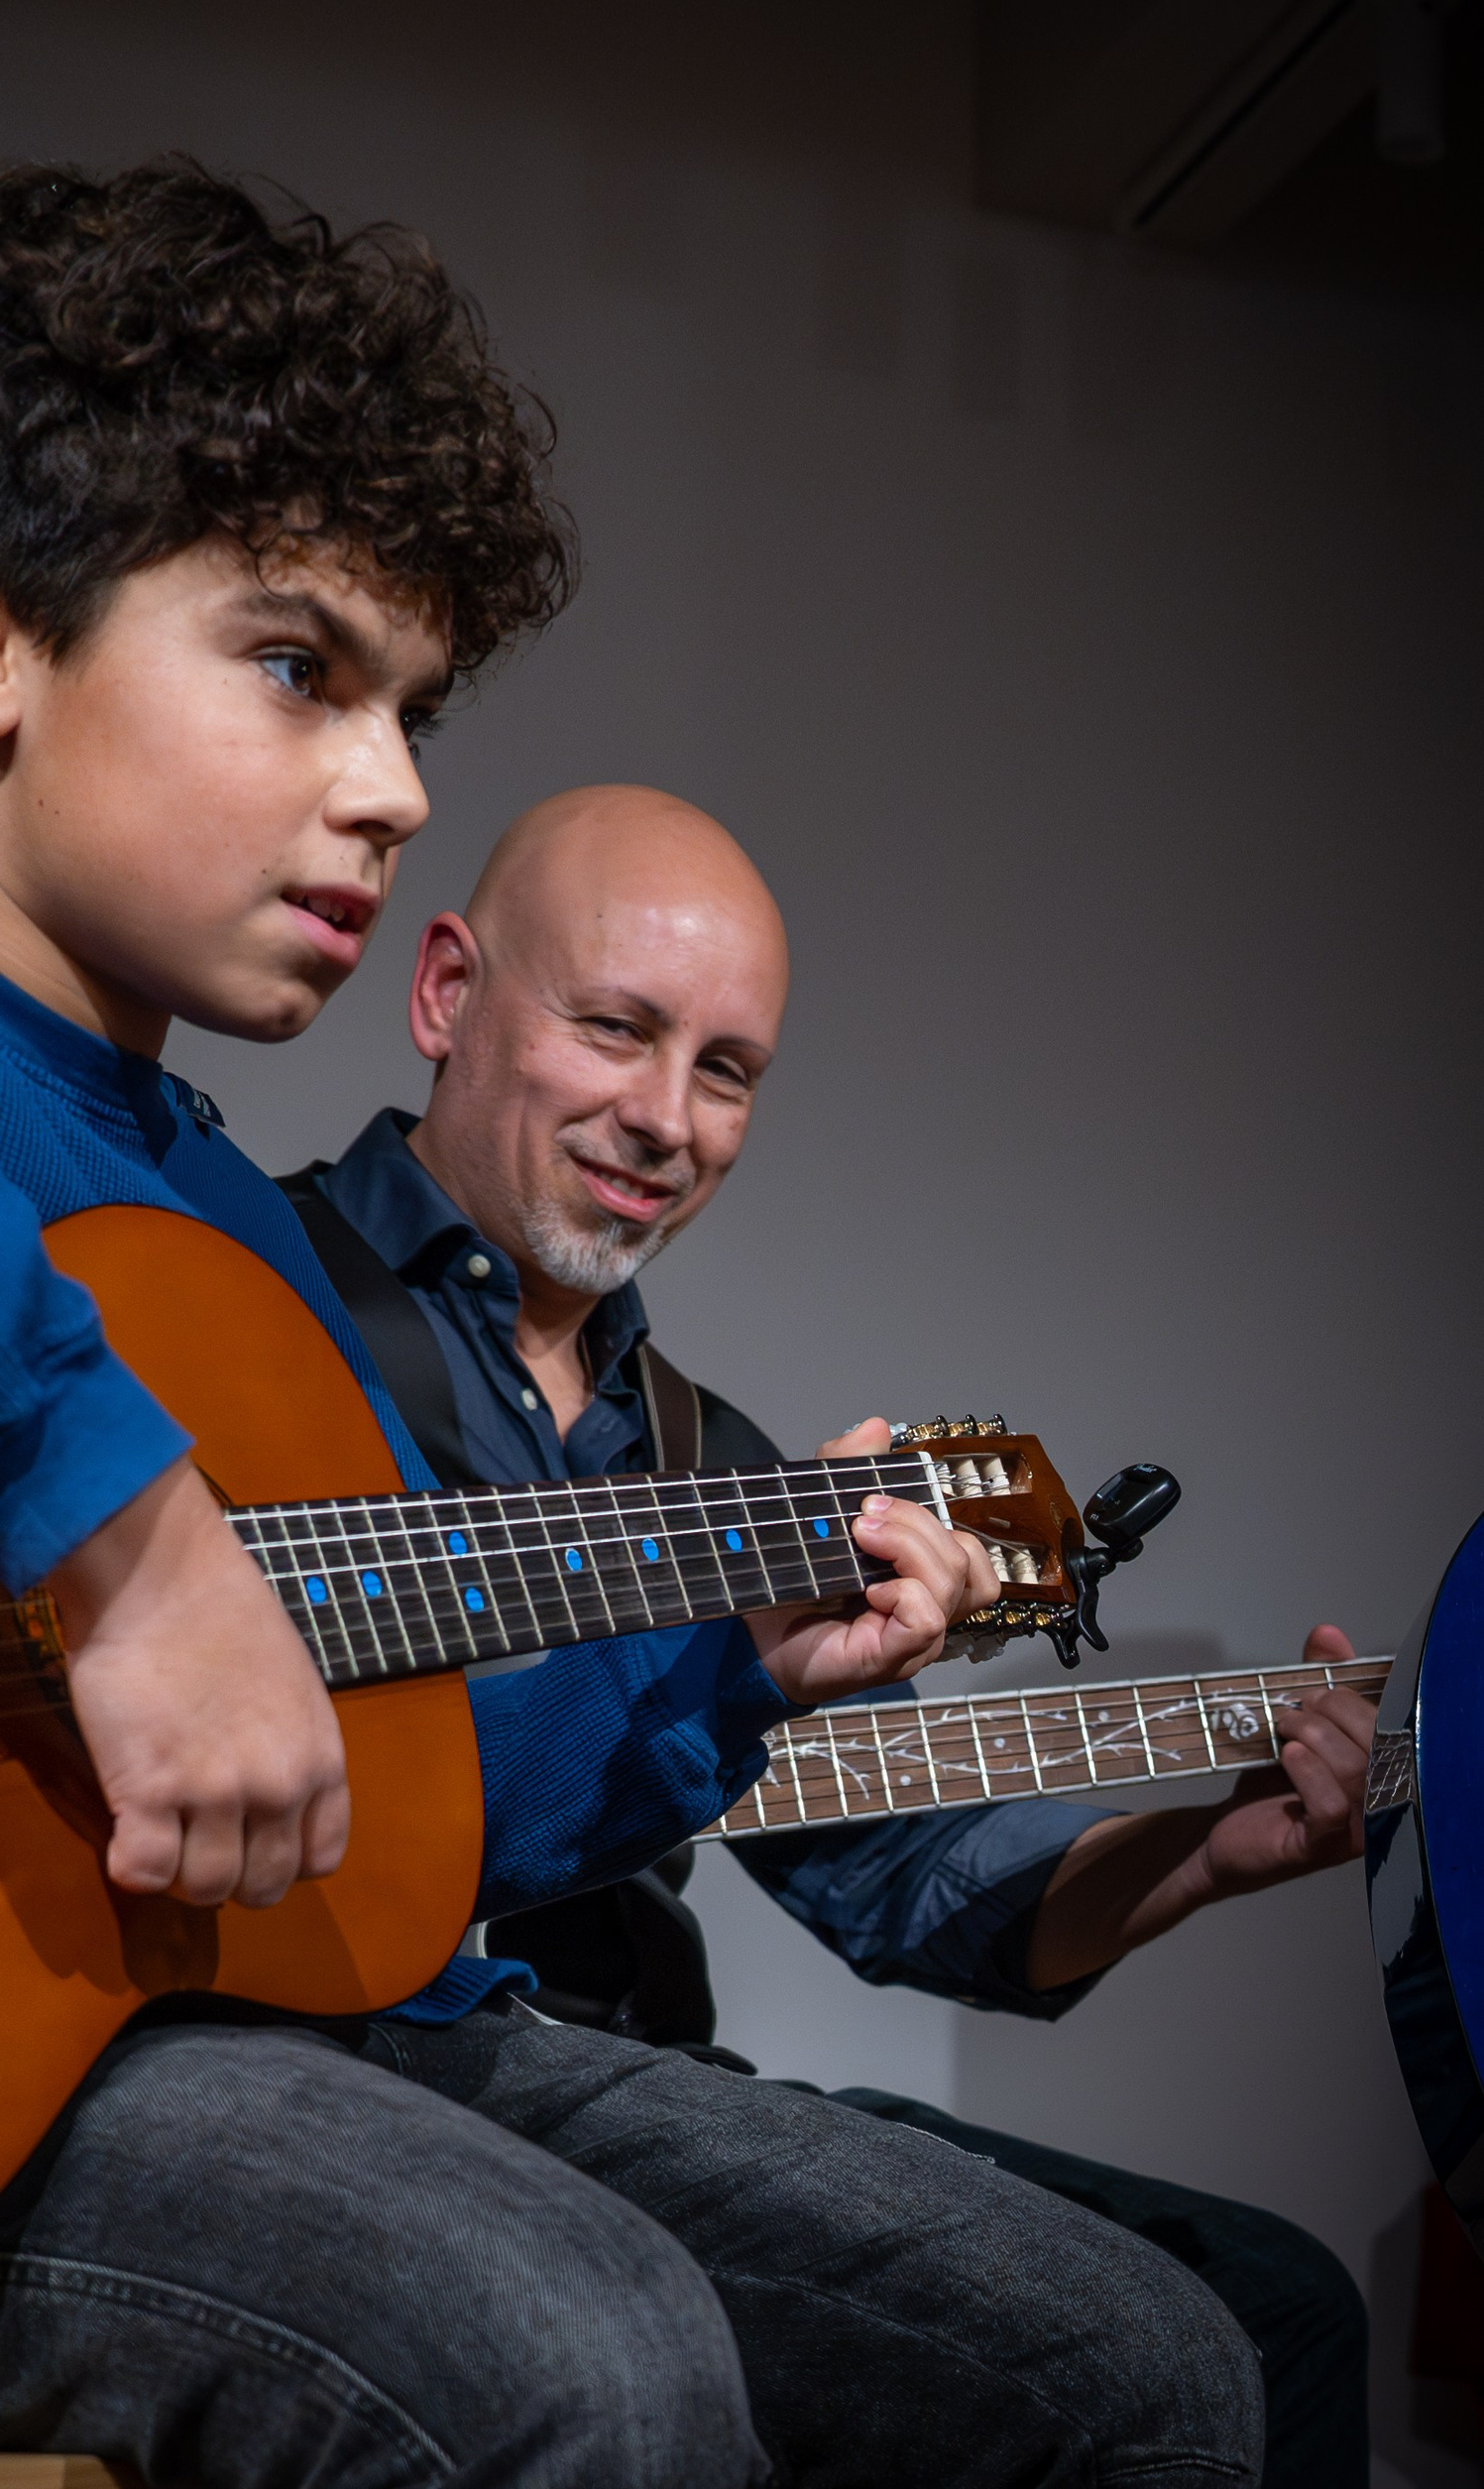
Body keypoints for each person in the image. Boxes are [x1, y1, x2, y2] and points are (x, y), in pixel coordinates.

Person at [0, 161, 1264, 2485]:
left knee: (1143, 2364)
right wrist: (118, 1535)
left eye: (410, 706)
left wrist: (723, 1671)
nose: (387, 788)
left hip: (289, 2033)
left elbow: (395, 1828)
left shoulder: (234, 1243)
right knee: (580, 2349)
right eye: (296, 669)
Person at [285, 780, 1374, 2489]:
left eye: (724, 1071)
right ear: (445, 996)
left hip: (648, 2071)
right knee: (1136, 2369)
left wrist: (1206, 1853)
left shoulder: (714, 1465)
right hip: (372, 2062)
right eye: (615, 1029)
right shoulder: (236, 1300)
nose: (666, 1119)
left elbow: (900, 1876)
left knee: (1284, 2306)